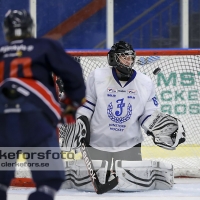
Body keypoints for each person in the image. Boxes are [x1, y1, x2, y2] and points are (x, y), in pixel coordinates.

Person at [62, 41, 186, 192]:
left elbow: (148, 113)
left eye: (131, 58)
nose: (129, 61)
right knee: (88, 188)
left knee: (130, 189)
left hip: (130, 146)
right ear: (114, 58)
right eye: (124, 57)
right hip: (97, 144)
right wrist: (79, 122)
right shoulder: (98, 76)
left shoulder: (145, 82)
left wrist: (159, 127)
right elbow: (86, 105)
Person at [0, 9, 86, 200]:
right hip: (35, 119)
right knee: (48, 182)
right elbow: (73, 75)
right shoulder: (44, 46)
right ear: (30, 28)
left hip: (2, 122)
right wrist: (70, 106)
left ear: (7, 31)